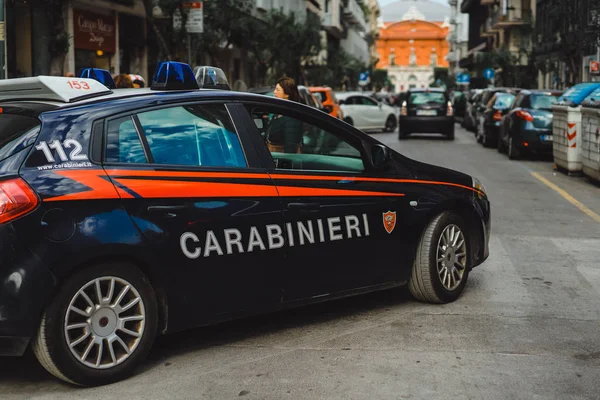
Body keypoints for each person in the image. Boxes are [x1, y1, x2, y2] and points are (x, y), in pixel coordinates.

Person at [265, 77, 304, 153]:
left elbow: (291, 147)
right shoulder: (280, 113)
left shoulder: (292, 117)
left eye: (277, 90)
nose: (274, 92)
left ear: (287, 94)